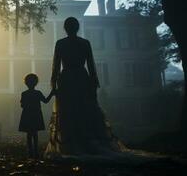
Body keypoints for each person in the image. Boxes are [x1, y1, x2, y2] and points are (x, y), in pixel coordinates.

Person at [45, 17, 123, 157]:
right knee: (84, 110)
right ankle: (87, 141)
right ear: (77, 27)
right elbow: (91, 66)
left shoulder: (60, 43)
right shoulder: (85, 43)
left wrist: (54, 84)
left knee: (69, 111)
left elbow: (56, 67)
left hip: (67, 79)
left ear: (65, 28)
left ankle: (71, 144)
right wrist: (93, 83)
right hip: (81, 78)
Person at [19, 73, 55, 158]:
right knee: (35, 133)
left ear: (26, 83)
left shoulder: (24, 93)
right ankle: (35, 151)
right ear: (35, 83)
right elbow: (46, 101)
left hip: (27, 114)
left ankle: (30, 152)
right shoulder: (38, 93)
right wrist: (52, 93)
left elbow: (22, 105)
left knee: (29, 134)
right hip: (36, 114)